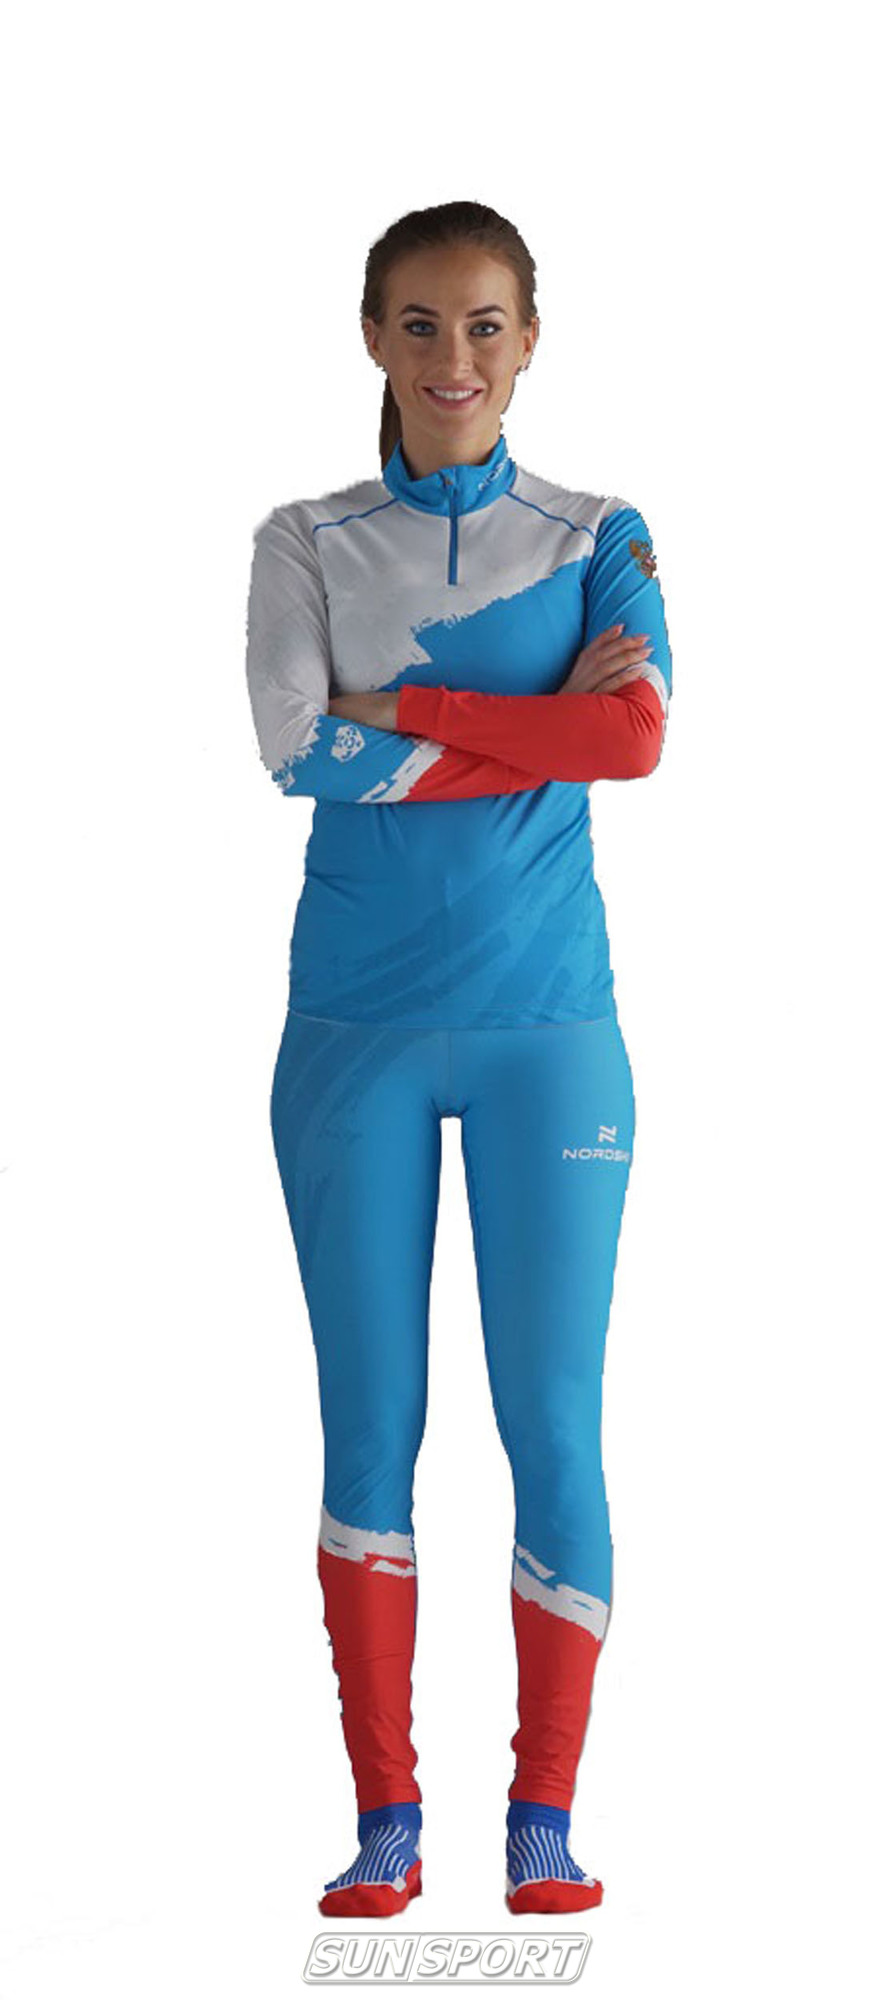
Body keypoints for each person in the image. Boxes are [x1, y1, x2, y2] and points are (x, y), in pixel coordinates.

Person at [244, 200, 672, 1919]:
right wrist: (533, 726)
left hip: (546, 1034)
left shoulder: (599, 532)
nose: (451, 358)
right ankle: (386, 1818)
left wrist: (407, 710)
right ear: (371, 337)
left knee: (551, 1421)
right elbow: (294, 751)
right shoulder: (302, 538)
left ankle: (542, 1815)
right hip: (348, 1034)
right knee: (370, 1426)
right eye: (417, 324)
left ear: (529, 340)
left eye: (483, 324)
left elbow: (632, 739)